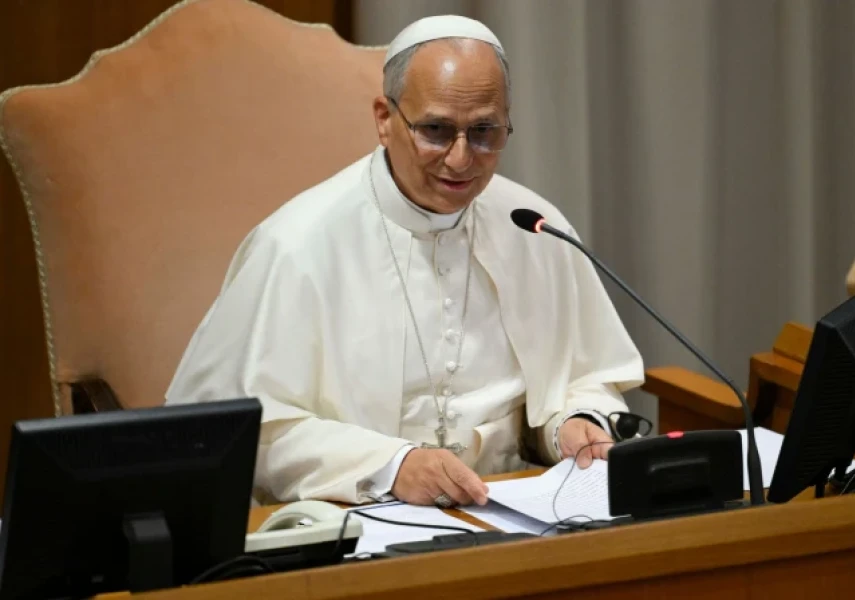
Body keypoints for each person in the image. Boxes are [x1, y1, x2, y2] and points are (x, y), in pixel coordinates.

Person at [165, 15, 644, 508]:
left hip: (517, 511)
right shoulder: (297, 246)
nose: (461, 159)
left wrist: (573, 422)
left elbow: (586, 376)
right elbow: (243, 433)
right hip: (357, 522)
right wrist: (389, 465)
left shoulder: (534, 226)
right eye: (436, 130)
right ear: (383, 118)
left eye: (485, 132)